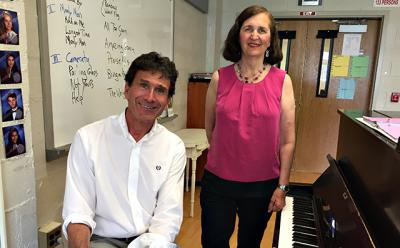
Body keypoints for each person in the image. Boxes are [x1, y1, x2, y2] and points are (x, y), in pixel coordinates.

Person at [62, 52, 186, 248]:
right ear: (127, 89)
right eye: (143, 85)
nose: (150, 97)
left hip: (150, 240)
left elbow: (167, 216)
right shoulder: (88, 138)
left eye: (160, 90)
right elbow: (78, 212)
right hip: (101, 240)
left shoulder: (173, 147)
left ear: (168, 101)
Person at [201, 5, 295, 248]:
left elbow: (287, 141)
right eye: (248, 29)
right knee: (213, 243)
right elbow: (210, 128)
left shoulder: (283, 81)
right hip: (218, 183)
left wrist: (282, 187)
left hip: (262, 186)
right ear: (238, 34)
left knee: (249, 244)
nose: (255, 35)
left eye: (262, 30)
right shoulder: (219, 78)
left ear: (270, 39)